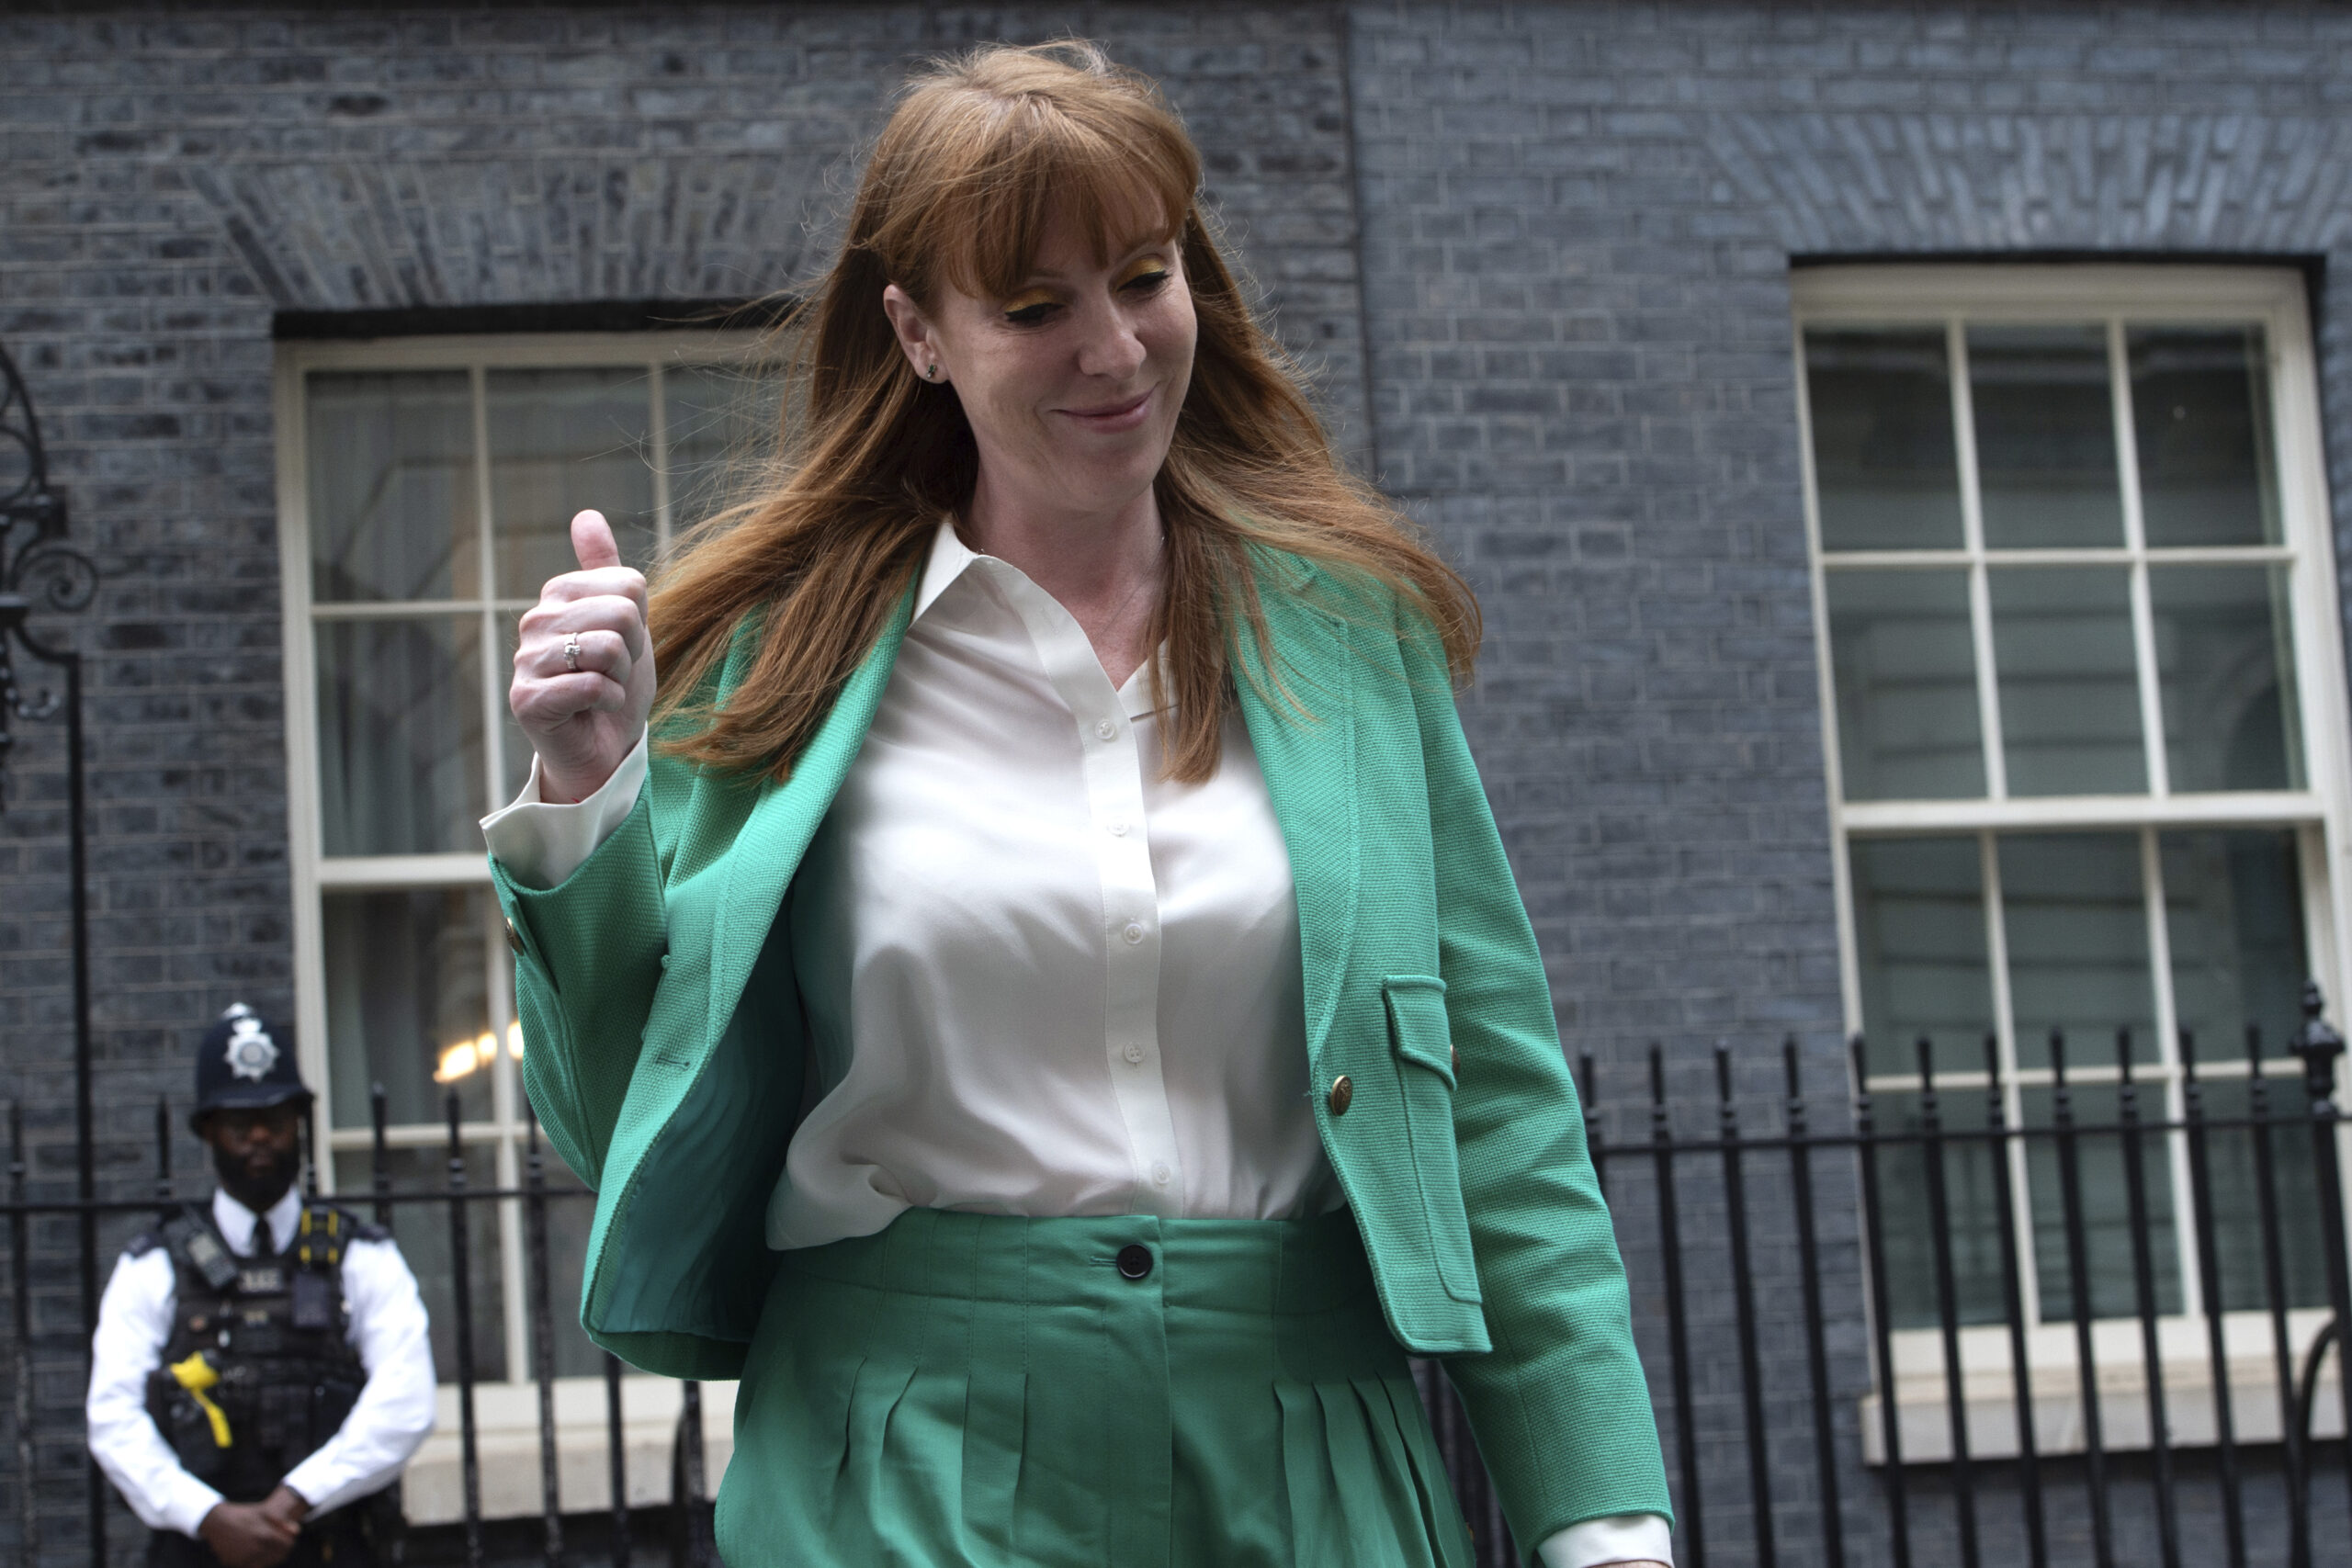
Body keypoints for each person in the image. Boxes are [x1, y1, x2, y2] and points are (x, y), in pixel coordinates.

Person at [485, 39, 1672, 1568]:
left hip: (1308, 1449)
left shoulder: (1350, 643)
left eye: (1142, 275)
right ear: (918, 334)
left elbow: (1499, 1106)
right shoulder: (781, 660)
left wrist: (1605, 1518)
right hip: (903, 1454)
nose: (1113, 348)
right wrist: (586, 797)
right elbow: (621, 1116)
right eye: (1037, 307)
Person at [87, 1005, 435, 1568]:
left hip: (325, 1542)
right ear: (209, 1132)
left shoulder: (361, 1256)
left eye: (275, 1120)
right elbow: (112, 1418)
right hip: (198, 1548)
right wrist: (210, 1517)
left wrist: (294, 1500)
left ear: (298, 1123)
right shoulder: (153, 1266)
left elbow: (408, 1400)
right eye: (237, 1123)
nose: (258, 1138)